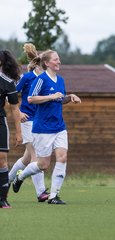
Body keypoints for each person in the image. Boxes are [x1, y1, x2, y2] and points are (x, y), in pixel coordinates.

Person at [12, 50, 81, 205]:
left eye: (59, 59)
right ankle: (21, 176)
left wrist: (70, 97)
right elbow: (30, 99)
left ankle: (54, 195)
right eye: (56, 59)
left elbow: (60, 99)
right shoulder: (41, 80)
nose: (59, 62)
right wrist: (51, 96)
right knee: (43, 165)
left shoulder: (61, 80)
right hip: (43, 128)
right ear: (47, 63)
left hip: (59, 127)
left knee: (62, 157)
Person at [8, 43, 50, 202]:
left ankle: (8, 179)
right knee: (36, 157)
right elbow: (9, 95)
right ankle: (41, 192)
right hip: (27, 121)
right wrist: (18, 112)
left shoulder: (47, 79)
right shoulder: (27, 77)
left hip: (40, 122)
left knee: (26, 159)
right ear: (43, 64)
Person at [0, 50, 22, 208]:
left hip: (0, 123)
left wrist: (19, 132)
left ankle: (2, 198)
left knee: (2, 160)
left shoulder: (7, 82)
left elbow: (15, 109)